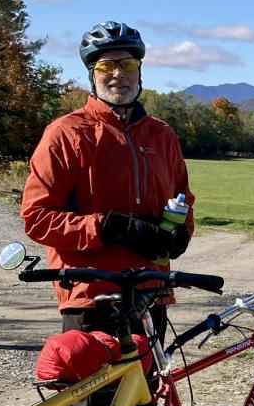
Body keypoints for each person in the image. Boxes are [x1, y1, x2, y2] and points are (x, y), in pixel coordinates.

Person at [20, 20, 194, 335]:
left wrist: (182, 232)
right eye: (106, 65)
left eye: (127, 63)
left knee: (149, 385)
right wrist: (109, 227)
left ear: (140, 71)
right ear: (92, 74)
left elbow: (183, 198)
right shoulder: (66, 133)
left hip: (150, 292)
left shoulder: (162, 135)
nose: (118, 74)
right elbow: (37, 218)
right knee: (99, 386)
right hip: (91, 296)